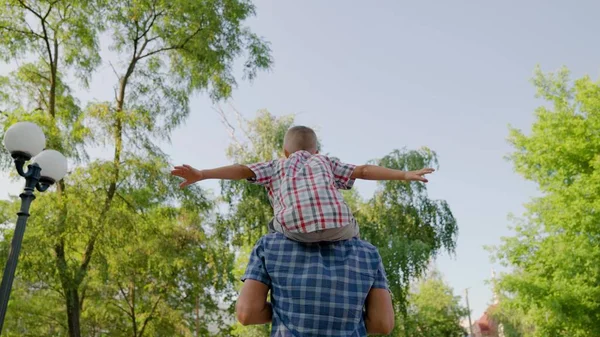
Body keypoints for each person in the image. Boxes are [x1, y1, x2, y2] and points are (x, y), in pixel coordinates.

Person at [171, 125, 434, 242]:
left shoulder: (276, 165)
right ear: (316, 151)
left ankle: (280, 251)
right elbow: (364, 170)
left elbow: (241, 169)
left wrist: (202, 173)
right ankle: (355, 251)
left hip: (293, 231)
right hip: (338, 228)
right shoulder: (326, 162)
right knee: (354, 227)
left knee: (272, 226)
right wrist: (403, 174)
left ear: (285, 151)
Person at [235, 232, 395, 336]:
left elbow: (247, 313)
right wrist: (341, 315)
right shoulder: (368, 253)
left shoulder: (269, 245)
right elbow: (382, 323)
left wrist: (290, 312)